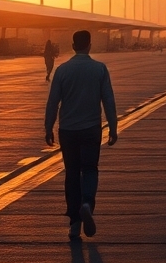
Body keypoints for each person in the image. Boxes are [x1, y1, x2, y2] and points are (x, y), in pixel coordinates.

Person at [45, 29, 117, 241]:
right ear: (90, 45)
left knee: (72, 174)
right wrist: (113, 127)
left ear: (73, 45)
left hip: (68, 130)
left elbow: (53, 102)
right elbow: (108, 101)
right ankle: (87, 203)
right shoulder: (99, 69)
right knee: (90, 169)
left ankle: (74, 224)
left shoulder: (62, 70)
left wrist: (48, 127)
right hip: (91, 129)